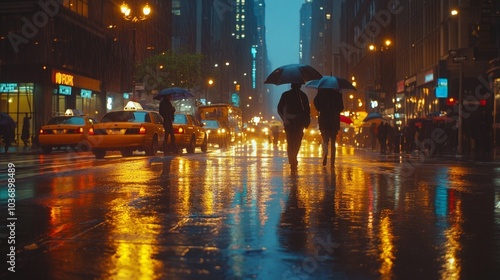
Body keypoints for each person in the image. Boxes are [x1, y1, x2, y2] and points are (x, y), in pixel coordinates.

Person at [277, 83, 310, 169]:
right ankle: (293, 158)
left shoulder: (286, 95)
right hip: (299, 122)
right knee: (297, 141)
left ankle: (292, 159)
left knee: (290, 141)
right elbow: (307, 110)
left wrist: (284, 118)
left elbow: (279, 108)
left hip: (290, 122)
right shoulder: (303, 96)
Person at [313, 88, 344, 167]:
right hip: (334, 120)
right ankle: (332, 162)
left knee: (325, 139)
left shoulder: (321, 93)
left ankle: (325, 152)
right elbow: (341, 108)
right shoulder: (337, 94)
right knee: (333, 142)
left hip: (324, 120)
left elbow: (316, 105)